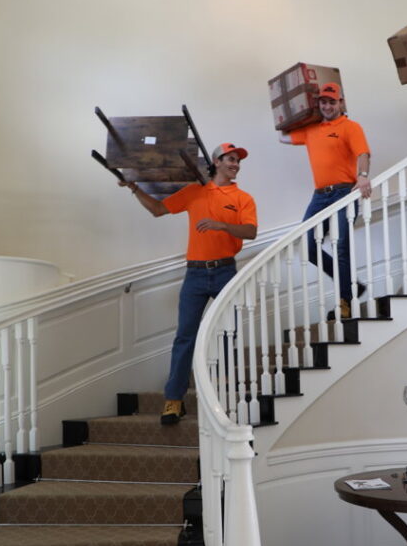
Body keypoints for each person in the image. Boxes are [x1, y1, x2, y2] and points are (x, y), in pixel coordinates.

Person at [122, 143, 257, 425]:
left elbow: (251, 231)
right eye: (230, 159)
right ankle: (174, 401)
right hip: (195, 274)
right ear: (216, 162)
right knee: (185, 337)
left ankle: (223, 396)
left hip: (225, 272)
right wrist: (134, 189)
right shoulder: (194, 192)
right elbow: (158, 209)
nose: (235, 164)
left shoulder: (243, 197)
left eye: (237, 161)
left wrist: (223, 226)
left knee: (228, 335)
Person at [280, 82, 372, 320]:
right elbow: (283, 137)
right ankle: (351, 285)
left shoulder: (350, 127)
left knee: (340, 247)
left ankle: (345, 301)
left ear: (340, 103)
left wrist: (362, 177)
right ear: (318, 104)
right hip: (320, 196)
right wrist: (301, 114)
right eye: (323, 102)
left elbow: (363, 154)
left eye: (332, 101)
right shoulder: (311, 130)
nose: (328, 106)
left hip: (344, 193)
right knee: (308, 247)